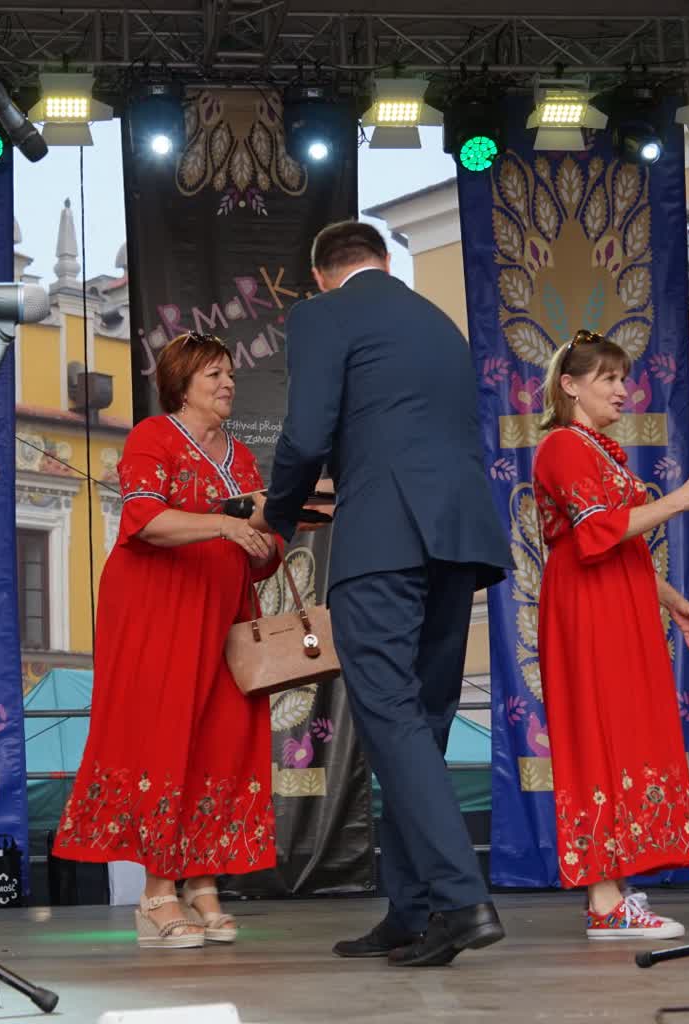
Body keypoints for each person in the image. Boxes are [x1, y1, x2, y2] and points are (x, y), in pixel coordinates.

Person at [249, 221, 514, 968]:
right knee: (421, 725)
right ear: (386, 262)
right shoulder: (439, 324)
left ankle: (462, 901)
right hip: (458, 538)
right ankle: (412, 910)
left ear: (321, 273)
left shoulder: (322, 314)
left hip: (384, 540)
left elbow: (306, 435)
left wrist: (278, 513)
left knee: (391, 718)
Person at [52, 332, 284, 950]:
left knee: (219, 741)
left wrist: (271, 530)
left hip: (223, 615)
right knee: (166, 738)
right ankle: (156, 894)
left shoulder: (240, 455)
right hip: (159, 611)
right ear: (182, 384)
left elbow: (259, 547)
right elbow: (146, 519)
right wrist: (228, 525)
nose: (228, 383)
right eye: (214, 374)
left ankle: (202, 884)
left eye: (230, 373)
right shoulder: (153, 437)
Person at [532, 329, 689, 940]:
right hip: (587, 606)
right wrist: (681, 500)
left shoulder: (597, 450)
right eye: (609, 379)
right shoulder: (562, 446)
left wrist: (672, 600)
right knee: (597, 732)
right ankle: (603, 901)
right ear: (571, 386)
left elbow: (620, 543)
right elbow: (596, 534)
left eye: (624, 378)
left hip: (617, 600)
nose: (624, 390)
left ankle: (613, 889)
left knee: (621, 731)